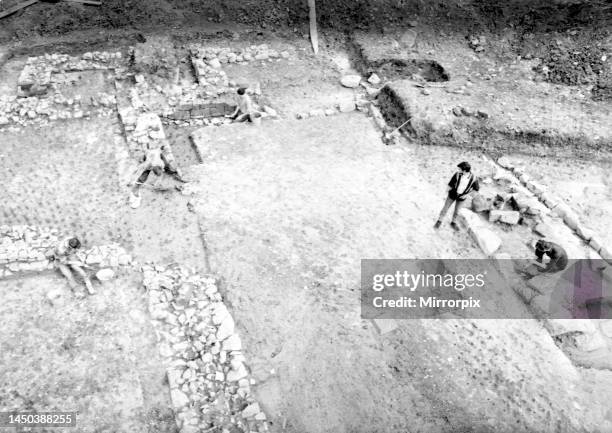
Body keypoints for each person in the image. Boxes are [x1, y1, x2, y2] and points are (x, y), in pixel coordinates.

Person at [434, 161, 480, 230]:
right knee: (445, 208)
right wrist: (445, 192)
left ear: (464, 171)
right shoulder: (457, 174)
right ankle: (439, 221)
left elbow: (476, 189)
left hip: (462, 197)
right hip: (452, 194)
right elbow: (450, 184)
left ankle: (453, 222)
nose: (458, 170)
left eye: (459, 169)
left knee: (457, 211)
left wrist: (467, 195)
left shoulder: (473, 178)